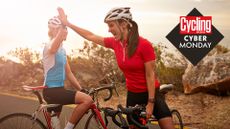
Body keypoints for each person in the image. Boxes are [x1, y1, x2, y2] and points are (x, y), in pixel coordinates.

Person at [57, 7, 175, 129]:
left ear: (123, 24)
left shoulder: (144, 45)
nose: (109, 30)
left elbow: (150, 75)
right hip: (133, 95)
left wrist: (151, 103)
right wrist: (68, 24)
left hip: (152, 94)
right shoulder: (115, 43)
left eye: (111, 25)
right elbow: (90, 35)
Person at [42, 16, 93, 129]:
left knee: (54, 127)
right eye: (62, 28)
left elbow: (69, 73)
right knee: (87, 100)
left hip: (59, 90)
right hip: (51, 91)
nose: (65, 31)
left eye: (66, 29)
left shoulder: (62, 50)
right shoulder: (49, 46)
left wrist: (81, 89)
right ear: (54, 30)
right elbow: (53, 49)